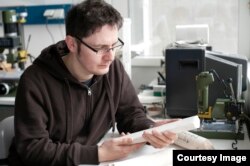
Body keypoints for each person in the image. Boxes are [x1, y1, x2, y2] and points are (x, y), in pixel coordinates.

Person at [8, 0, 177, 165]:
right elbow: (33, 149)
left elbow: (131, 114)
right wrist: (98, 154)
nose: (110, 56)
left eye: (113, 45)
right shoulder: (35, 81)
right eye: (100, 48)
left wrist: (150, 129)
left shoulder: (113, 69)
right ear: (72, 44)